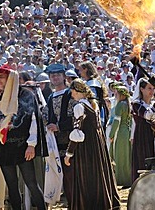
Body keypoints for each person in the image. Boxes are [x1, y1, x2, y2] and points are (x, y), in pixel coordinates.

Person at [0, 65, 47, 210]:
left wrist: (31, 144)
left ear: (11, 78)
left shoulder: (26, 95)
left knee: (31, 183)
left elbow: (33, 120)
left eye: (2, 77)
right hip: (3, 147)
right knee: (12, 186)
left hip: (22, 146)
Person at [64, 79, 120, 209]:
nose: (72, 95)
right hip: (96, 145)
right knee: (96, 175)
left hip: (85, 148)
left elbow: (77, 133)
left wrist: (69, 153)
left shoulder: (79, 106)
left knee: (87, 177)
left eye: (72, 92)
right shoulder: (91, 104)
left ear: (77, 91)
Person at [42, 63, 77, 205]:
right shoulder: (51, 97)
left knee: (71, 175)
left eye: (58, 75)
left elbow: (76, 117)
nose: (55, 77)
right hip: (55, 144)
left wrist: (59, 126)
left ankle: (75, 203)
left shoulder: (70, 94)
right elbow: (46, 115)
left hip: (71, 142)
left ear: (64, 77)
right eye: (52, 75)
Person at [131, 78, 155, 183]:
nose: (152, 91)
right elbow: (148, 115)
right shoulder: (136, 104)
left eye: (153, 88)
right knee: (143, 160)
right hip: (142, 136)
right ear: (142, 89)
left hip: (154, 136)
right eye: (149, 88)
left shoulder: (154, 103)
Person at [108, 83, 132, 188]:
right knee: (126, 156)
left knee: (120, 156)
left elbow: (117, 121)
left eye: (117, 93)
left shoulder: (120, 105)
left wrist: (111, 134)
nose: (115, 95)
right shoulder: (128, 105)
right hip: (127, 132)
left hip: (120, 133)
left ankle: (122, 179)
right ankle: (127, 178)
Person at [78, 61, 109, 129]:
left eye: (80, 70)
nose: (79, 72)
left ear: (85, 69)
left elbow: (93, 102)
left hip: (95, 116)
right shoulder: (89, 82)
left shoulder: (93, 84)